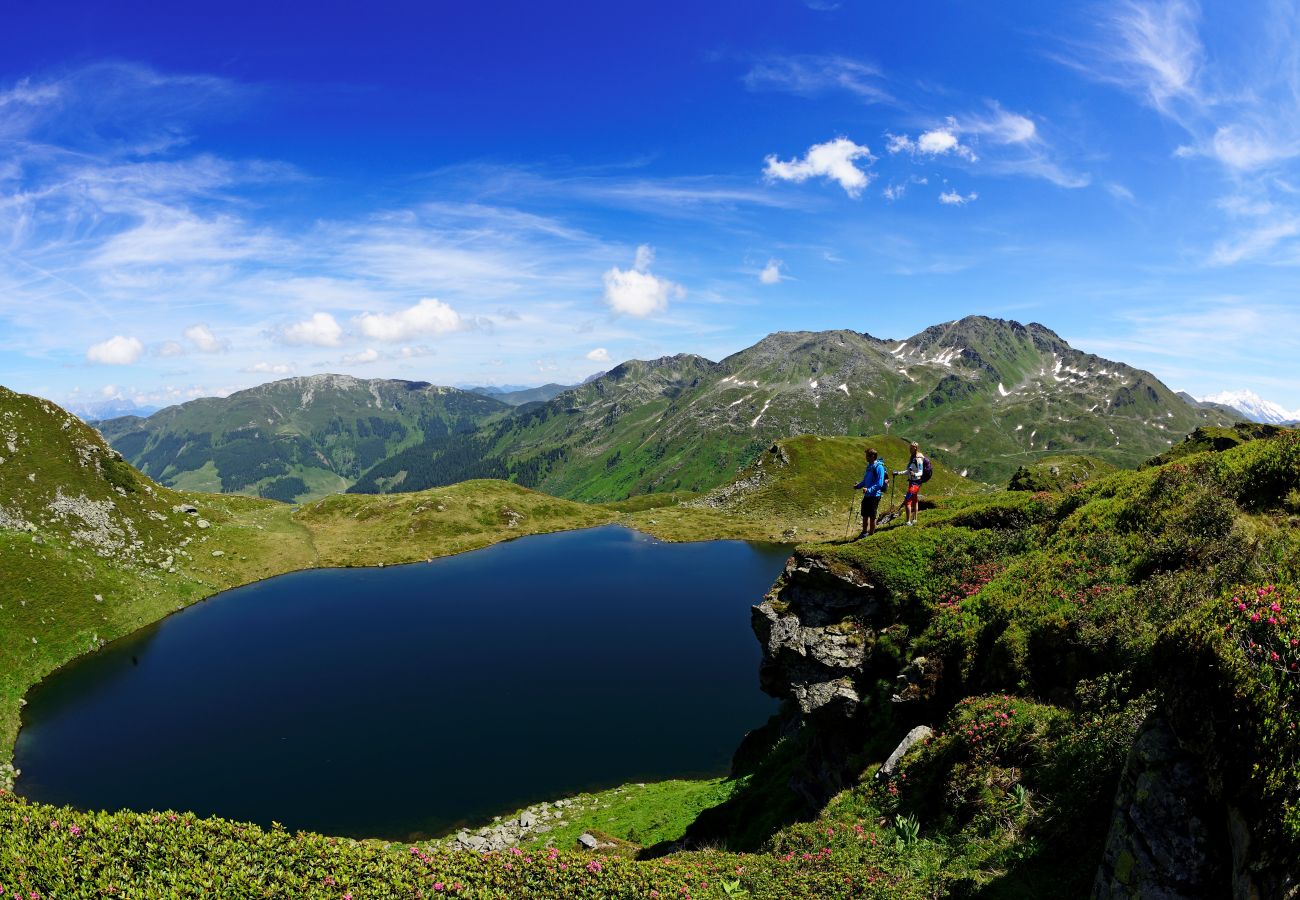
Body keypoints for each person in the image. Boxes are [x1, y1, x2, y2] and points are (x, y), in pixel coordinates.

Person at [853, 447, 888, 538]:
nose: (866, 457)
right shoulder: (869, 467)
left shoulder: (879, 467)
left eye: (867, 455)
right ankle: (864, 533)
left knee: (872, 515)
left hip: (874, 495)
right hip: (867, 495)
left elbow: (879, 483)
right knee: (865, 514)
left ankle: (871, 535)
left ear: (872, 456)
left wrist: (869, 490)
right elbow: (865, 480)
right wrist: (858, 486)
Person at [894, 442, 928, 526]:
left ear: (916, 448)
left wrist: (914, 474)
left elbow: (921, 472)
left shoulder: (918, 459)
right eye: (910, 448)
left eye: (912, 448)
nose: (910, 449)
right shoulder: (912, 458)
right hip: (912, 482)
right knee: (915, 500)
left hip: (915, 483)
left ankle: (908, 521)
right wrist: (898, 473)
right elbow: (908, 471)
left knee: (908, 501)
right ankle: (915, 519)